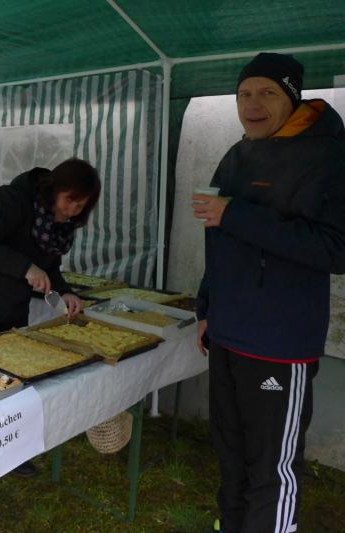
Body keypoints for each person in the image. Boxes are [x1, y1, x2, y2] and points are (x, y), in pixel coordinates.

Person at [192, 53, 345, 533]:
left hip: (279, 341)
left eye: (267, 93)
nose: (251, 105)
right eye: (243, 94)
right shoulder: (236, 155)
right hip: (227, 333)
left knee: (271, 465)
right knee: (231, 452)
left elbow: (335, 249)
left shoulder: (329, 157)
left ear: (292, 97)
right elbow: (218, 240)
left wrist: (234, 214)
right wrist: (206, 309)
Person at [0, 157, 101, 342]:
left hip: (13, 304)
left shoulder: (62, 226)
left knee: (14, 355)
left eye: (80, 205)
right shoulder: (12, 199)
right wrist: (25, 268)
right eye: (69, 199)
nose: (72, 210)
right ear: (55, 189)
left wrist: (64, 292)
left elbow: (49, 266)